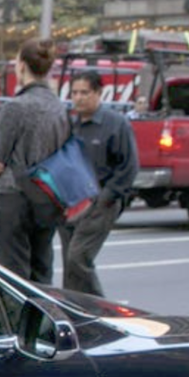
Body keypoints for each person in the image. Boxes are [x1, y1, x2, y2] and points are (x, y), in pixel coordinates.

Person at [0, 39, 67, 283]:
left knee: (13, 278)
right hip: (47, 197)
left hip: (15, 197)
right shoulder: (59, 107)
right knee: (42, 274)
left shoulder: (15, 107)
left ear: (22, 66)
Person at [58, 70, 137, 295]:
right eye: (74, 93)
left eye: (84, 92)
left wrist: (106, 198)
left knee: (78, 257)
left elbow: (129, 167)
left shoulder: (116, 124)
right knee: (69, 266)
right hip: (71, 202)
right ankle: (74, 307)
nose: (79, 98)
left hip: (101, 202)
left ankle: (100, 308)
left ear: (98, 93)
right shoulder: (70, 125)